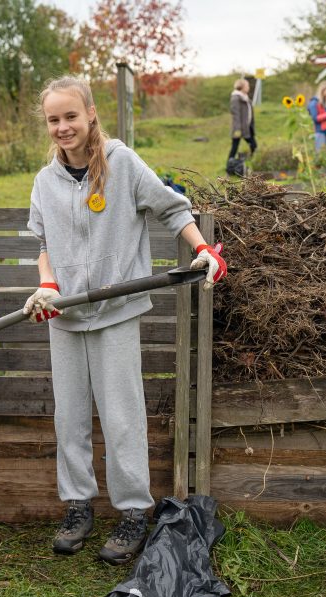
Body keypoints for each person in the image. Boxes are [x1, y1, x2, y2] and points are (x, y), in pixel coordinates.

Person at [25, 76, 227, 566]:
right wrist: (48, 285)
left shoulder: (123, 163)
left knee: (121, 417)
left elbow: (172, 208)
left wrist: (201, 248)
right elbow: (43, 245)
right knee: (69, 417)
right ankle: (77, 507)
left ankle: (135, 511)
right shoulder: (44, 182)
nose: (62, 127)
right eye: (53, 119)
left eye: (70, 116)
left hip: (115, 312)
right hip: (66, 314)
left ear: (91, 113)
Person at [228, 78, 257, 162]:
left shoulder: (245, 98)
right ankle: (229, 166)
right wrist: (237, 129)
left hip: (247, 127)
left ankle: (252, 162)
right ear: (242, 87)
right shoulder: (235, 98)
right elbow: (235, 115)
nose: (248, 87)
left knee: (254, 146)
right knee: (235, 147)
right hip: (240, 128)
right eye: (247, 85)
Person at [308, 81, 326, 153]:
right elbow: (315, 118)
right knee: (319, 153)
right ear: (323, 90)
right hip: (320, 131)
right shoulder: (314, 102)